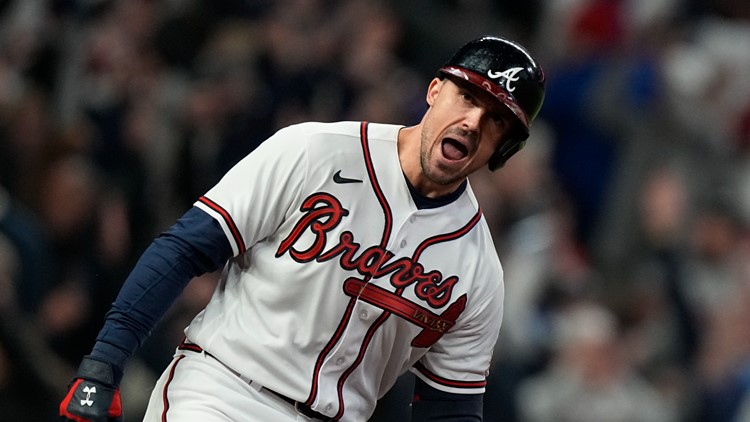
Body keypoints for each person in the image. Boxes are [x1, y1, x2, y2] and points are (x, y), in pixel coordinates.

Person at [59, 35, 545, 421]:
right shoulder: (315, 152)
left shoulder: (478, 269)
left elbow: (450, 407)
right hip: (222, 391)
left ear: (505, 148)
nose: (472, 122)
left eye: (497, 120)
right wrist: (103, 364)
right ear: (435, 90)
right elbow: (186, 249)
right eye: (466, 97)